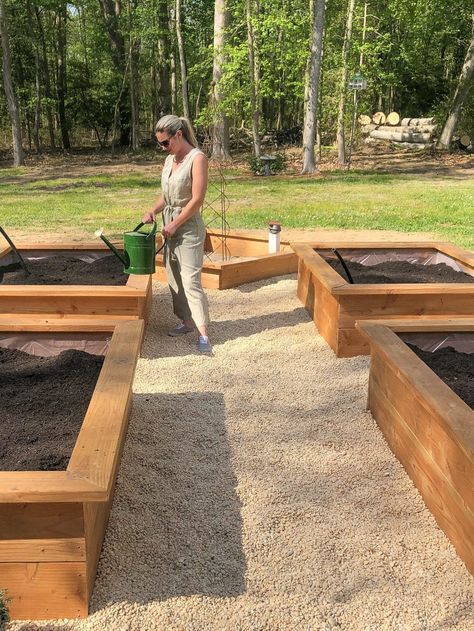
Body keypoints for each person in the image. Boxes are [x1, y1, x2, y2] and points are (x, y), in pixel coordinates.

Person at [142, 115, 211, 353]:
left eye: (165, 143)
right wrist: (153, 210)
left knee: (191, 279)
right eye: (160, 143)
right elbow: (167, 194)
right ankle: (186, 321)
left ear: (178, 135)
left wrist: (175, 224)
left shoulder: (197, 158)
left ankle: (204, 335)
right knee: (174, 277)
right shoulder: (170, 160)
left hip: (188, 228)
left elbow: (197, 200)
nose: (162, 148)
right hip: (168, 226)